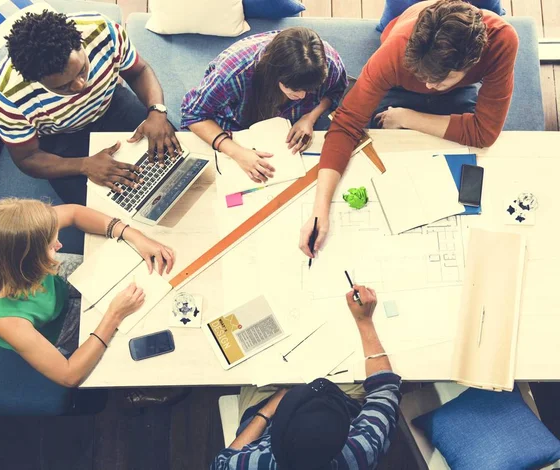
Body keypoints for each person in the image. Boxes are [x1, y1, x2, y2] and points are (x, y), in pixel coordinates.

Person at [299, 0, 518, 256]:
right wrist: (320, 209)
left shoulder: (502, 40)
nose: (428, 88)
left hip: (455, 92)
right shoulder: (396, 50)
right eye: (425, 79)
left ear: (471, 62)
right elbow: (346, 124)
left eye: (439, 81)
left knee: (465, 164)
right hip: (401, 80)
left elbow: (485, 132)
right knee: (375, 139)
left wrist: (407, 118)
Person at [0, 198, 174, 390]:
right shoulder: (4, 320)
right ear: (28, 263)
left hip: (54, 286)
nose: (59, 245)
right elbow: (69, 375)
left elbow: (74, 213)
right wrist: (114, 316)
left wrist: (135, 236)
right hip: (55, 327)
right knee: (130, 332)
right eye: (51, 247)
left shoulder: (14, 239)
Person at [0, 10, 182, 206]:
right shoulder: (7, 94)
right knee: (104, 214)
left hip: (110, 104)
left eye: (82, 70)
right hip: (60, 138)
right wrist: (84, 165)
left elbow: (139, 71)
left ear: (80, 43)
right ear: (35, 80)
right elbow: (27, 158)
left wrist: (157, 111)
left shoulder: (102, 31)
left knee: (175, 154)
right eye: (63, 86)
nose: (81, 86)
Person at [211, 286, 401, 470]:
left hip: (268, 409)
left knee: (250, 367)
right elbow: (384, 389)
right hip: (339, 404)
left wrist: (267, 411)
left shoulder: (258, 462)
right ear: (344, 437)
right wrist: (364, 321)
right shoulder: (361, 451)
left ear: (274, 443)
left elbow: (221, 464)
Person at [181, 27, 348, 184]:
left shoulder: (330, 62)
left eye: (310, 90)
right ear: (275, 75)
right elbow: (193, 114)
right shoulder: (232, 74)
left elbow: (335, 90)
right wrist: (237, 152)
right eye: (295, 89)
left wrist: (310, 117)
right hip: (238, 124)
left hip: (290, 130)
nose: (302, 96)